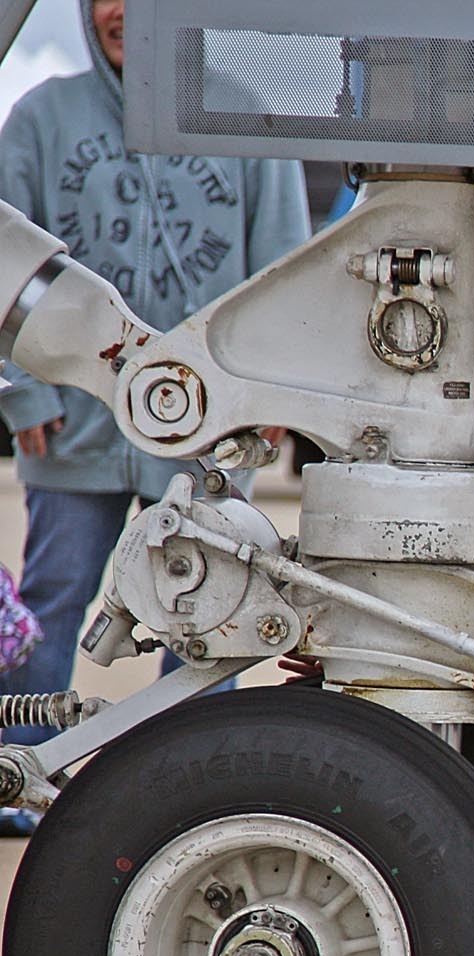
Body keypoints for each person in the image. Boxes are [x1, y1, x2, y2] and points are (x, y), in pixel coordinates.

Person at [0, 0, 311, 836]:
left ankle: (197, 792)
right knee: (56, 592)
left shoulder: (247, 119)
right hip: (70, 424)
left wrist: (272, 392)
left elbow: (285, 259)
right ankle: (11, 777)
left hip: (213, 424)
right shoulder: (38, 118)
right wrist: (21, 394)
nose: (116, 11)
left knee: (207, 612)